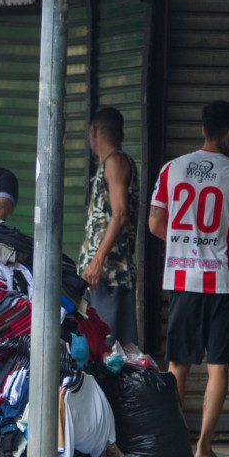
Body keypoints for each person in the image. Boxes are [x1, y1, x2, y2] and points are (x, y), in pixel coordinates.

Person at [148, 100, 229, 457]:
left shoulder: (170, 170)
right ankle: (204, 447)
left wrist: (185, 245)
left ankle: (175, 445)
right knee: (218, 367)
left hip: (182, 280)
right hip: (224, 283)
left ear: (202, 130)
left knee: (177, 365)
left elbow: (154, 223)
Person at [77, 107, 140, 346]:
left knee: (108, 348)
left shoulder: (115, 161)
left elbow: (120, 213)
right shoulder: (108, 164)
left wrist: (97, 259)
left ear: (93, 131)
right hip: (101, 276)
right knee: (96, 345)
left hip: (109, 274)